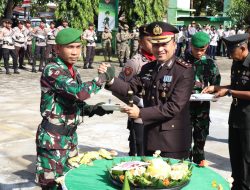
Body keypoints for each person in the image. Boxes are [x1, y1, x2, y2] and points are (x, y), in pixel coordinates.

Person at [35, 27, 115, 189]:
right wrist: (103, 77)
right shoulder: (52, 70)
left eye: (78, 47)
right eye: (70, 47)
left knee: (71, 182)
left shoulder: (73, 70)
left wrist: (94, 109)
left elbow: (73, 101)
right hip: (53, 140)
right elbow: (80, 93)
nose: (75, 52)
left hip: (70, 139)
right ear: (57, 49)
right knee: (52, 185)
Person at [106, 21, 194, 159]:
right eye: (156, 44)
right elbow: (130, 88)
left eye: (164, 44)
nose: (160, 49)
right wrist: (109, 79)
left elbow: (173, 107)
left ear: (174, 44)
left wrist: (140, 112)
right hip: (149, 137)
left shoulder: (183, 70)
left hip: (172, 142)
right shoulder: (149, 68)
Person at [202, 33, 250, 190]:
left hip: (248, 120)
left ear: (242, 48)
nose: (229, 56)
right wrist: (217, 88)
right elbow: (236, 86)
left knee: (246, 160)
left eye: (231, 52)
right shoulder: (237, 62)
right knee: (235, 156)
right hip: (235, 117)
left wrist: (229, 93)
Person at [117, 24, 156, 156]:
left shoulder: (161, 61)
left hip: (157, 114)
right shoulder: (135, 63)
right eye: (150, 41)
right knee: (139, 153)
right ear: (140, 42)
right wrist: (139, 102)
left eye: (156, 40)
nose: (154, 44)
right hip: (139, 116)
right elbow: (120, 89)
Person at [183, 31, 221, 164]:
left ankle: (199, 164)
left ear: (207, 48)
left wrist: (212, 91)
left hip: (202, 109)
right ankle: (184, 165)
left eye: (202, 50)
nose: (199, 53)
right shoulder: (180, 61)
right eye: (196, 49)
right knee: (183, 139)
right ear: (190, 45)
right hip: (183, 108)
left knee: (200, 140)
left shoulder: (210, 63)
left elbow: (216, 85)